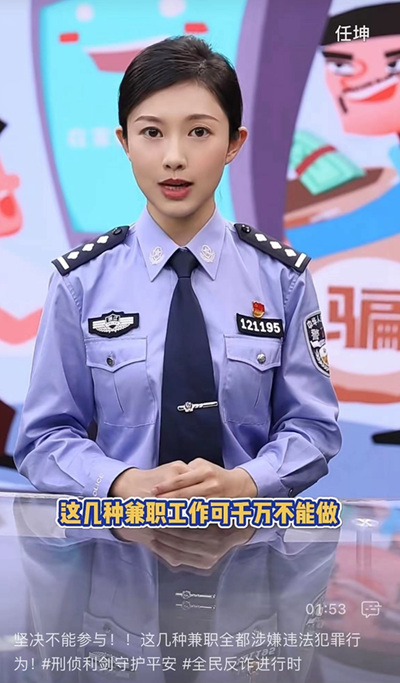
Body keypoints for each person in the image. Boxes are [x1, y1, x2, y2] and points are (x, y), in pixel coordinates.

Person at [13, 35, 341, 501]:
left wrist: (247, 482)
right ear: (125, 142)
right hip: (120, 543)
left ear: (234, 143)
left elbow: (312, 426)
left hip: (248, 541)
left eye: (199, 132)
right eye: (152, 133)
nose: (174, 157)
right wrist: (120, 482)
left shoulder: (283, 280)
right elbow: (45, 437)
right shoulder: (80, 283)